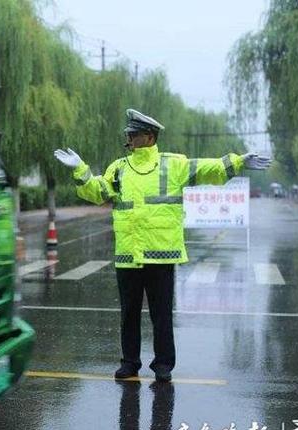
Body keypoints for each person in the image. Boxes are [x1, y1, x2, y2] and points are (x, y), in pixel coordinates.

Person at [53, 109, 271, 382]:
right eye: (128, 134)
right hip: (128, 254)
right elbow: (97, 193)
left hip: (161, 254)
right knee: (128, 314)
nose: (129, 138)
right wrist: (81, 170)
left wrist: (238, 161)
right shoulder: (118, 168)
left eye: (134, 134)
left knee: (162, 315)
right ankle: (129, 362)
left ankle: (163, 365)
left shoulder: (173, 164)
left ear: (150, 136)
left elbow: (209, 168)